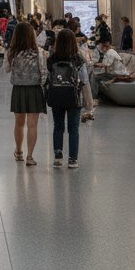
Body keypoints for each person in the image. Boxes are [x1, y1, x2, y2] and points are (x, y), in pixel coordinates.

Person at [5, 20, 47, 166]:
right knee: (32, 125)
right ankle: (30, 156)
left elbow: (6, 69)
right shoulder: (39, 52)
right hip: (34, 89)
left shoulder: (12, 52)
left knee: (19, 123)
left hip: (18, 89)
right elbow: (43, 72)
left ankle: (18, 152)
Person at [47, 28, 85, 169]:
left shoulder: (51, 59)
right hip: (73, 97)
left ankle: (58, 157)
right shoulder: (78, 59)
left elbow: (48, 77)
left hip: (56, 95)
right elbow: (84, 79)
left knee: (58, 126)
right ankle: (72, 159)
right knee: (73, 128)